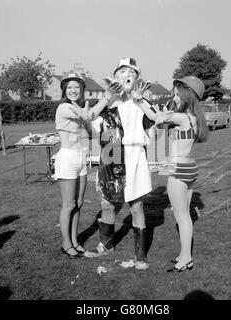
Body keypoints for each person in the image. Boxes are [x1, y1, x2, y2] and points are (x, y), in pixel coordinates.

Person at [91, 58, 167, 270]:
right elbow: (92, 122)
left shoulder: (141, 101)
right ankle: (106, 245)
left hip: (134, 154)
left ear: (136, 79)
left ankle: (140, 256)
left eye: (131, 73)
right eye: (123, 71)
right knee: (108, 204)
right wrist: (107, 98)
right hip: (111, 153)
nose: (127, 75)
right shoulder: (108, 101)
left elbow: (156, 118)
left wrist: (139, 99)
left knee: (136, 206)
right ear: (116, 76)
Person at [135, 76, 208, 272]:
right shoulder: (193, 118)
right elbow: (159, 118)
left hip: (178, 170)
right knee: (184, 215)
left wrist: (139, 100)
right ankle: (185, 255)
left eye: (177, 94)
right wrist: (159, 113)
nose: (174, 98)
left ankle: (186, 259)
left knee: (181, 215)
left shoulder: (181, 117)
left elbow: (154, 118)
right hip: (190, 168)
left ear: (188, 96)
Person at [54, 72, 122, 259]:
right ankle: (66, 244)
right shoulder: (64, 107)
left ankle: (75, 241)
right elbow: (89, 114)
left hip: (81, 158)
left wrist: (93, 122)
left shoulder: (79, 109)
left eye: (77, 87)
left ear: (82, 89)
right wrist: (105, 98)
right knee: (68, 204)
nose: (73, 90)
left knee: (79, 203)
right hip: (67, 158)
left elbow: (91, 130)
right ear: (64, 90)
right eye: (70, 88)